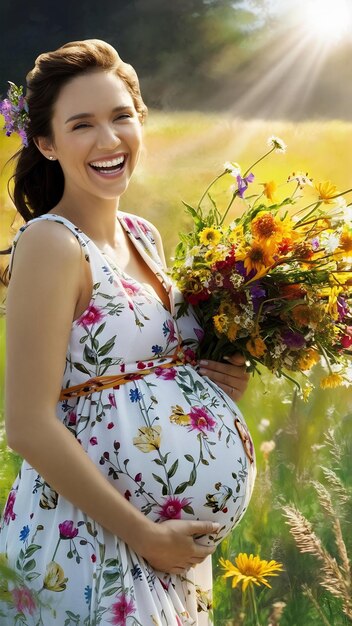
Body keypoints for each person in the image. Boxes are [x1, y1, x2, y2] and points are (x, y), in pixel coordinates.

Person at [0, 39, 256, 625]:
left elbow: (144, 375)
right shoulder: (50, 243)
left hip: (164, 548)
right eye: (82, 124)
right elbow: (28, 426)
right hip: (91, 542)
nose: (109, 140)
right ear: (46, 142)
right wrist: (143, 535)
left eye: (120, 117)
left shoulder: (144, 236)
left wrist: (215, 386)